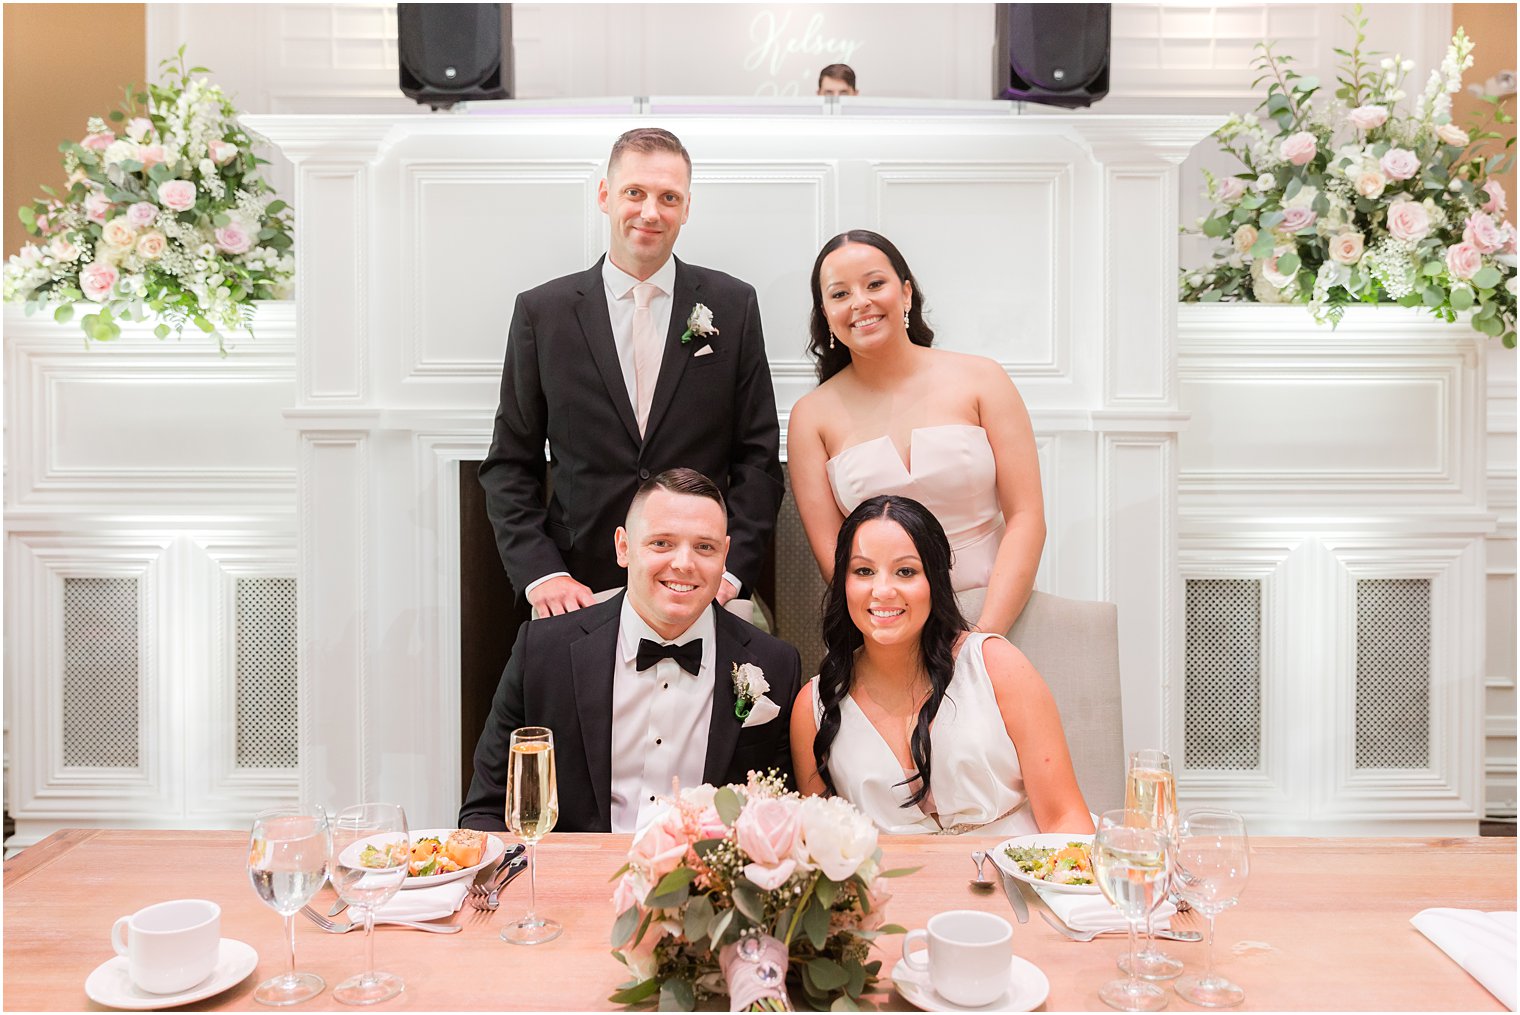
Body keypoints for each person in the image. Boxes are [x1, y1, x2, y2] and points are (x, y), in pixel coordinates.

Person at [479, 127, 784, 620]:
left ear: (686, 208)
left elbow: (757, 460)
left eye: (669, 197)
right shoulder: (543, 312)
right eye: (634, 193)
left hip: (699, 585)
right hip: (578, 587)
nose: (650, 211)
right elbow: (510, 464)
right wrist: (542, 574)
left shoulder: (734, 305)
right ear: (605, 196)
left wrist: (729, 573)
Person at [460, 469, 801, 833]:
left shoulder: (775, 665)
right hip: (576, 880)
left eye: (705, 547)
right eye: (662, 543)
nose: (684, 563)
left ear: (725, 555)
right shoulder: (543, 653)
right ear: (623, 547)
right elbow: (486, 809)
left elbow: (779, 821)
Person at [786, 229, 1045, 636]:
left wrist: (984, 636)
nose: (860, 302)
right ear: (826, 314)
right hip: (887, 625)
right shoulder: (810, 417)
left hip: (1002, 611)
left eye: (875, 284)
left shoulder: (982, 379)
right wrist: (891, 634)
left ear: (905, 293)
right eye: (840, 294)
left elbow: (1027, 516)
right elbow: (836, 561)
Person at [789, 495, 1091, 835]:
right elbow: (820, 849)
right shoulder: (813, 706)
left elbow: (1066, 818)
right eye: (863, 571)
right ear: (844, 583)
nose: (883, 590)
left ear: (934, 580)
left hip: (1013, 880)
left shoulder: (995, 666)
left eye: (906, 571)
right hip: (892, 888)